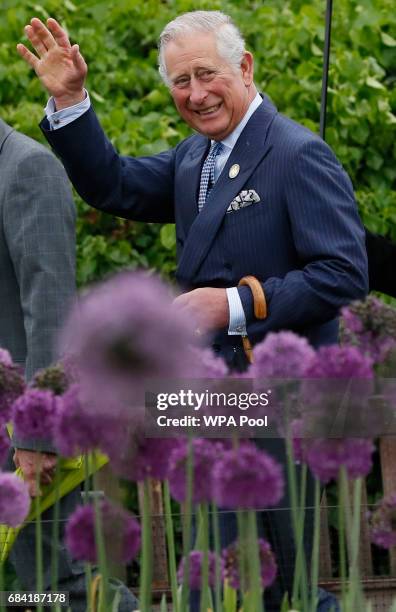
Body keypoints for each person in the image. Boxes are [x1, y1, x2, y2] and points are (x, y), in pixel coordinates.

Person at [17, 10, 368, 610]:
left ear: (246, 67)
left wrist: (231, 304)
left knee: (278, 589)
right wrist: (73, 102)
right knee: (226, 580)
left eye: (207, 74)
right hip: (209, 407)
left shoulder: (297, 153)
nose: (196, 94)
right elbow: (114, 185)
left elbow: (344, 272)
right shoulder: (194, 158)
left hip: (277, 409)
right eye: (181, 82)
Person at [0, 120, 137, 611]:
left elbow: (51, 311)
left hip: (21, 437)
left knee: (58, 587)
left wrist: (37, 438)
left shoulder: (27, 167)